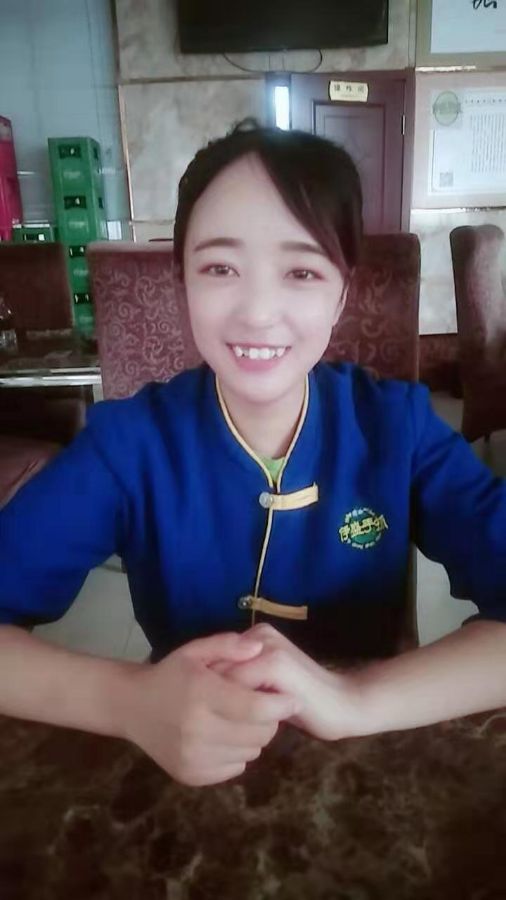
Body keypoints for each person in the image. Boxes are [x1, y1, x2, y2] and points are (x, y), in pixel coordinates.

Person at [1, 119, 506, 788]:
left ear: (341, 293)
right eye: (219, 267)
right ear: (182, 281)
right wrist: (129, 701)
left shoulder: (399, 427)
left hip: (367, 769)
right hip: (183, 768)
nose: (259, 312)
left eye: (301, 270)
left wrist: (355, 700)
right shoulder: (128, 443)